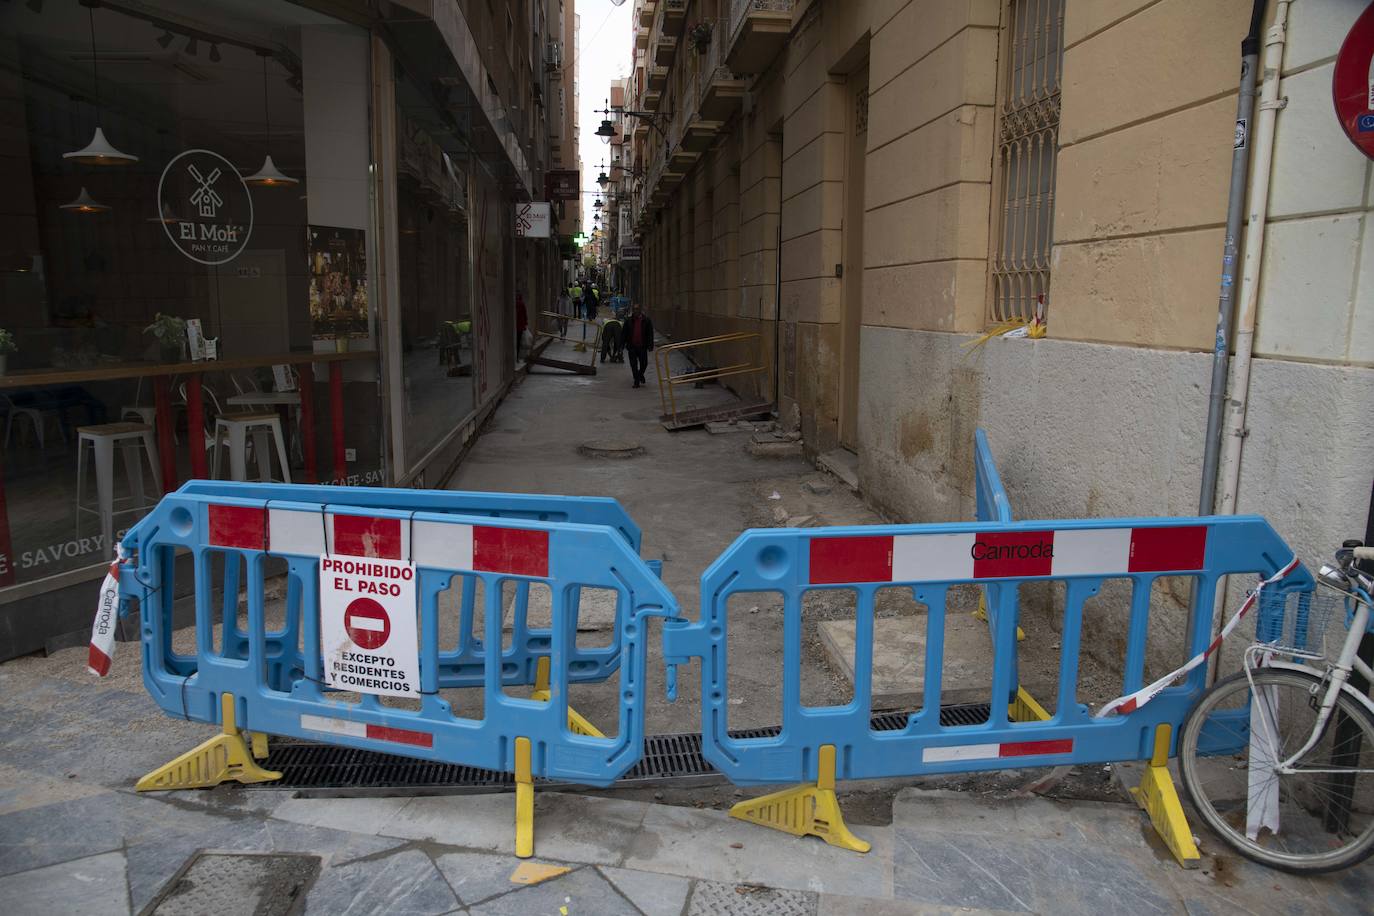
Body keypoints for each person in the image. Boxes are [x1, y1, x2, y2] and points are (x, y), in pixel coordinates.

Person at [623, 302, 654, 388]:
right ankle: (636, 381)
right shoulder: (628, 320)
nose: (635, 311)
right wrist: (622, 345)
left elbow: (650, 334)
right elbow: (624, 334)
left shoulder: (647, 320)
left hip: (642, 346)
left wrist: (650, 345)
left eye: (637, 309)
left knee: (644, 363)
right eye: (634, 309)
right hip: (632, 346)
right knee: (633, 365)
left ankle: (640, 374)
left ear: (640, 310)